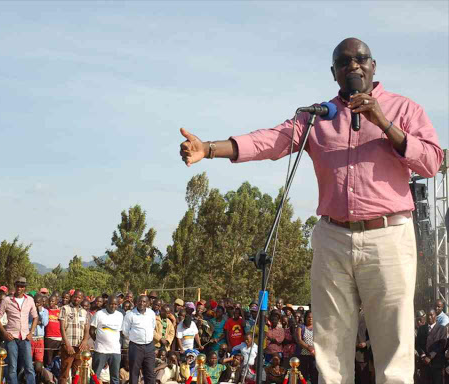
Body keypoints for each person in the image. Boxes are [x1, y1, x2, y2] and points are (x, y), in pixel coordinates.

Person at [179, 37, 443, 383]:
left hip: (389, 235)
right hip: (332, 235)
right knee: (331, 347)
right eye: (344, 61)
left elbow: (432, 162)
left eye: (361, 59)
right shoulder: (318, 117)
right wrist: (209, 149)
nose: (354, 66)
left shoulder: (404, 109)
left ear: (374, 66)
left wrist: (384, 124)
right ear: (334, 73)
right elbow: (268, 141)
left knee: (394, 345)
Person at [0, 276, 38, 384]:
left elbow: (35, 317)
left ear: (24, 288)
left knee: (29, 366)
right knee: (12, 367)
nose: (19, 288)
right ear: (15, 286)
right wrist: (4, 333)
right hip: (11, 337)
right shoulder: (7, 300)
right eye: (18, 285)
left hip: (25, 337)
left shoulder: (30, 300)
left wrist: (31, 332)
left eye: (22, 286)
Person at [122, 295, 157, 384]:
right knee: (134, 372)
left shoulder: (151, 313)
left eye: (144, 301)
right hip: (136, 347)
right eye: (140, 301)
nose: (142, 303)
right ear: (136, 302)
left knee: (150, 373)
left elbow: (153, 326)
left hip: (149, 347)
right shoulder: (130, 314)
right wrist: (136, 337)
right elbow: (125, 331)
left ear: (148, 303)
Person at [90, 295, 124, 384]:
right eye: (111, 304)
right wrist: (98, 341)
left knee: (115, 377)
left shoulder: (120, 315)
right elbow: (92, 331)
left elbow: (120, 332)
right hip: (101, 350)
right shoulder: (99, 314)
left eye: (115, 304)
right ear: (107, 304)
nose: (113, 306)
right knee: (95, 376)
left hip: (115, 351)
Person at [58, 289, 90, 384]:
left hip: (80, 348)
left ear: (82, 299)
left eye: (79, 297)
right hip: (68, 347)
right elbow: (62, 328)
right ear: (72, 297)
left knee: (77, 374)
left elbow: (87, 329)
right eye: (75, 296)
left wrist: (85, 341)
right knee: (64, 374)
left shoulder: (84, 312)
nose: (77, 299)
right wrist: (67, 345)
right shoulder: (65, 308)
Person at [30, 294, 49, 381]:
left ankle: (38, 379)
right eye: (35, 302)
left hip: (40, 339)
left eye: (39, 303)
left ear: (42, 303)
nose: (37, 304)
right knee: (28, 360)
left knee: (39, 362)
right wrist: (36, 322)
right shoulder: (29, 311)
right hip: (31, 338)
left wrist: (40, 311)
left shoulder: (45, 311)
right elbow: (28, 324)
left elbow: (44, 323)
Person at [296, 311, 318, 384]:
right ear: (305, 318)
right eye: (309, 317)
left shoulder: (317, 327)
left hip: (314, 356)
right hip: (303, 355)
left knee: (314, 375)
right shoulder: (301, 327)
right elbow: (299, 340)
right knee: (302, 376)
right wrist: (308, 347)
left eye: (312, 317)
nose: (310, 319)